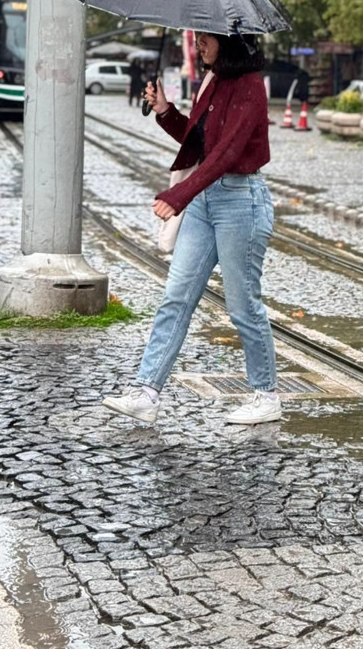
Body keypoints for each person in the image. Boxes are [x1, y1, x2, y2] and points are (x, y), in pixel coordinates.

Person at [103, 31, 281, 427]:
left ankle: (266, 395)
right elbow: (200, 143)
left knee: (242, 306)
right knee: (176, 296)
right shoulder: (212, 80)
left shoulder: (250, 85)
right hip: (205, 200)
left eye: (205, 38)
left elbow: (228, 153)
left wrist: (178, 195)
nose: (199, 44)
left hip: (241, 202)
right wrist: (166, 111)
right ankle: (147, 392)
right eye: (197, 37)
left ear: (228, 40)